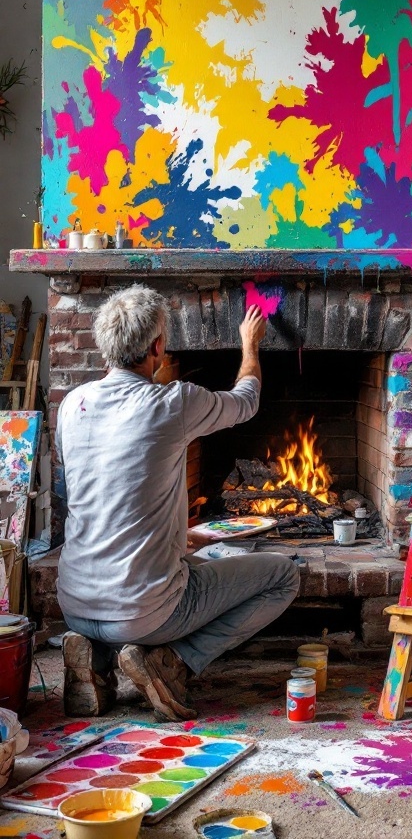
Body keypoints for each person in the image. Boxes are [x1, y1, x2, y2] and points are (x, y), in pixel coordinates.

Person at [56, 284, 300, 721]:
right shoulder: (171, 402)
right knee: (283, 575)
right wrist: (249, 345)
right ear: (157, 347)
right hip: (143, 613)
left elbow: (109, 490)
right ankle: (173, 663)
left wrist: (176, 534)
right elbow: (246, 401)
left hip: (73, 603)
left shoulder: (73, 404)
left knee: (196, 566)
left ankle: (96, 659)